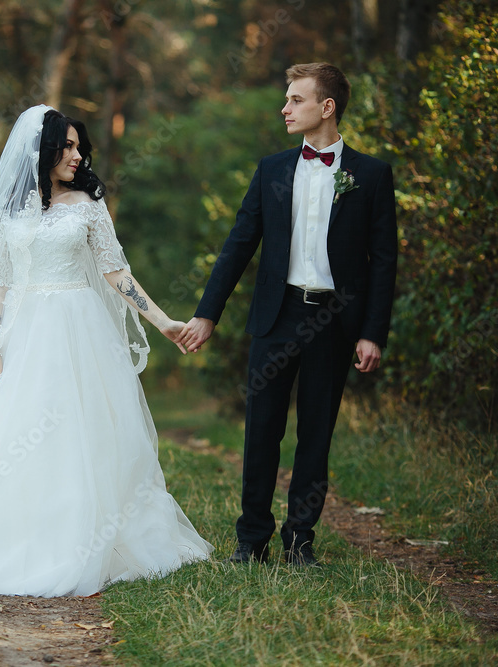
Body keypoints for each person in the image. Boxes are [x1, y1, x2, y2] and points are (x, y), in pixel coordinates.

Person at [0, 104, 213, 597]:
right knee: (14, 432)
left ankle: (89, 531)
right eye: (66, 146)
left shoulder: (89, 206)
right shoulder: (11, 213)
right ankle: (12, 532)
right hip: (27, 335)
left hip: (81, 328)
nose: (76, 155)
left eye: (79, 147)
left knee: (87, 429)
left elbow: (118, 275)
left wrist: (164, 323)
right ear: (44, 150)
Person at [179, 63, 398, 567]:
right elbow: (239, 245)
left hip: (334, 323)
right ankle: (250, 541)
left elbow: (383, 261)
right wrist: (207, 314)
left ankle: (301, 542)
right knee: (261, 432)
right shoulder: (272, 169)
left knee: (316, 434)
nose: (285, 108)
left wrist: (372, 333)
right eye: (286, 99)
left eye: (296, 99)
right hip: (276, 318)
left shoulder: (370, 175)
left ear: (327, 107)